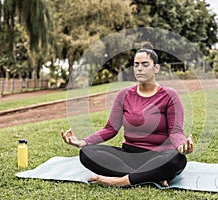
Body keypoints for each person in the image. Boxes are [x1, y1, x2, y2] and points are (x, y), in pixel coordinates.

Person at [61, 42, 193, 187]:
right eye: (136, 64)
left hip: (159, 155)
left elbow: (175, 131)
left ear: (156, 68)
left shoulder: (169, 95)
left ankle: (122, 181)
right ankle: (152, 175)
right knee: (87, 152)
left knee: (176, 159)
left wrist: (181, 146)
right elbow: (110, 128)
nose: (139, 68)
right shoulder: (124, 95)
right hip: (129, 155)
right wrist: (82, 142)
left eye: (145, 64)